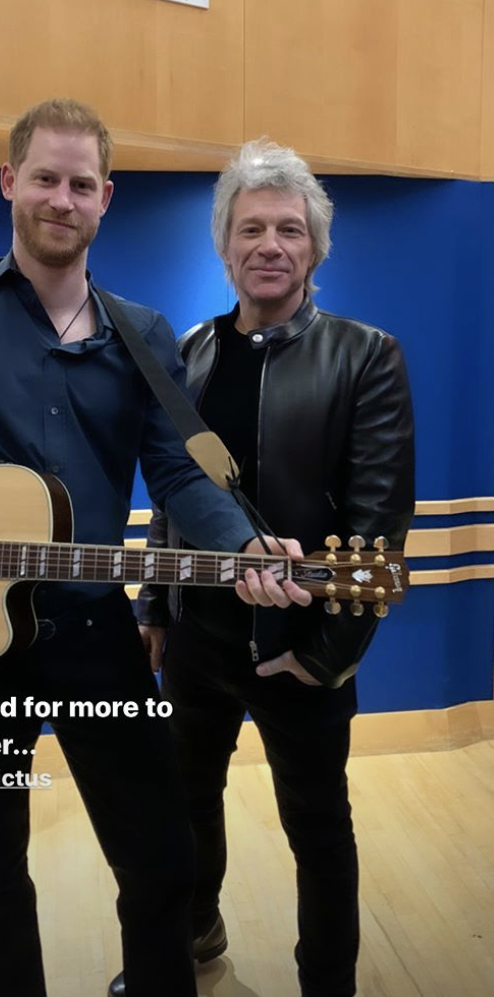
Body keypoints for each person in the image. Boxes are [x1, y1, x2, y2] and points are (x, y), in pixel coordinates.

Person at [0, 103, 308, 997]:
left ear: (107, 198)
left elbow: (179, 475)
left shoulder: (141, 334)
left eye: (81, 184)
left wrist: (247, 546)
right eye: (45, 178)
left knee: (162, 864)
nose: (62, 199)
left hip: (96, 645)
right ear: (10, 183)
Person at [109, 140, 415, 997]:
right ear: (225, 246)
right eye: (251, 229)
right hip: (200, 644)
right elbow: (172, 501)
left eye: (289, 228)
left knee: (317, 831)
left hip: (300, 652)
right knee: (187, 805)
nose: (270, 244)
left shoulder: (366, 355)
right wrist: (154, 609)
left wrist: (322, 656)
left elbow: (380, 525)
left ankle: (328, 984)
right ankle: (195, 944)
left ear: (314, 247)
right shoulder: (194, 354)